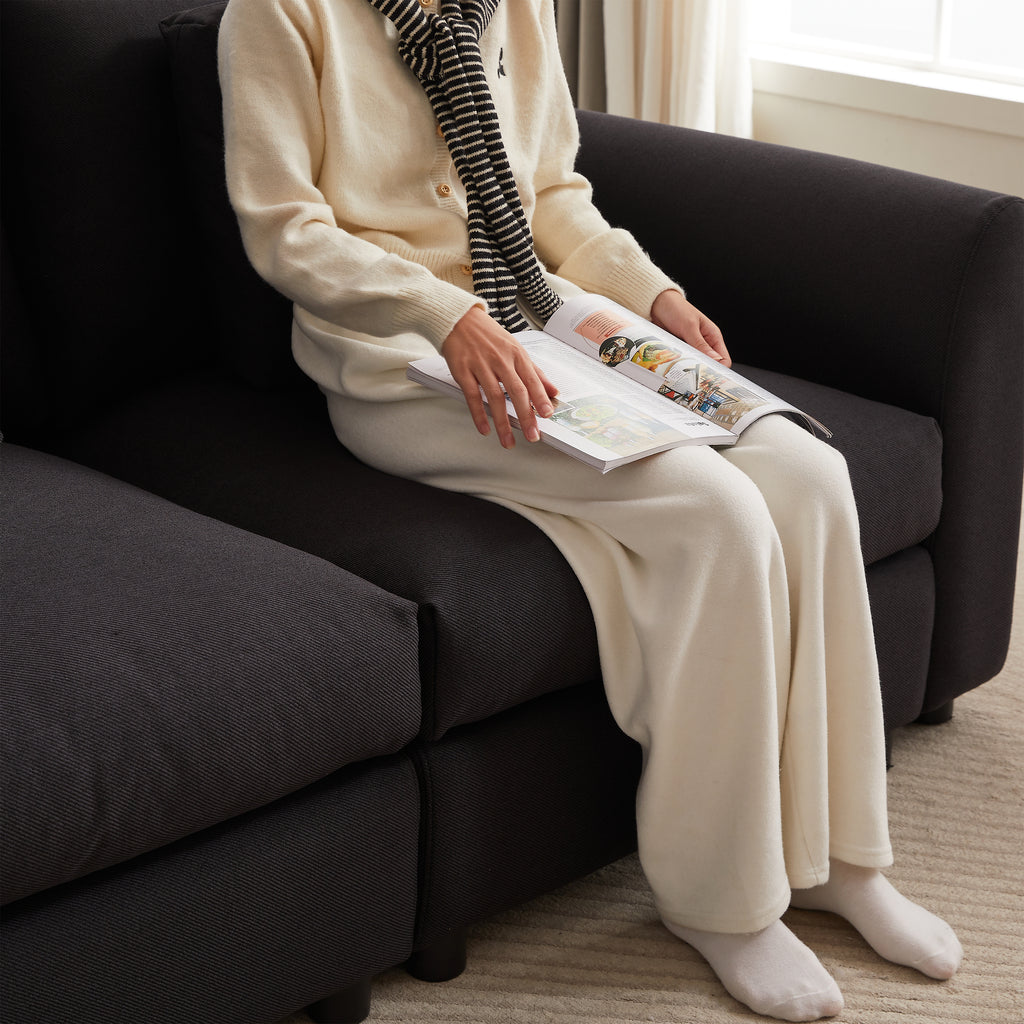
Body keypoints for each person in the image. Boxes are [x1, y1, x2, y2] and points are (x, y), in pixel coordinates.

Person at [217, 1, 963, 1018]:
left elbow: (551, 193)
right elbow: (284, 228)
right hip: (407, 364)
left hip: (549, 317)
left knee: (808, 474)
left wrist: (649, 293)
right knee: (716, 515)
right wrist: (442, 311)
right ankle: (720, 901)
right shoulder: (276, 13)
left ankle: (840, 857)